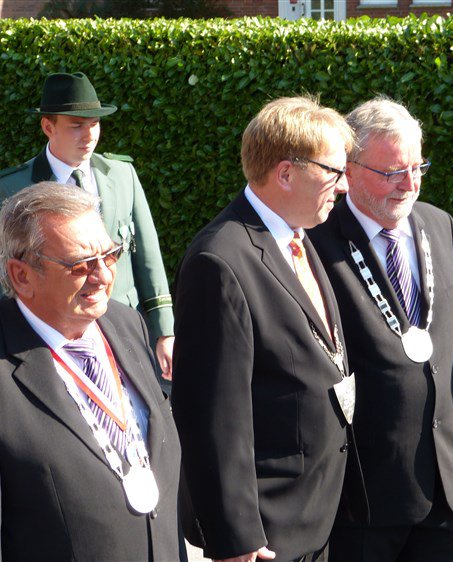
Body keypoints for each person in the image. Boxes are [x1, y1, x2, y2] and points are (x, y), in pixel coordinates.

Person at [0, 182, 184, 561]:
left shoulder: (127, 325)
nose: (104, 276)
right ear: (22, 275)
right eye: (80, 265)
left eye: (110, 255)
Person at [172, 97, 363, 562]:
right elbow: (211, 412)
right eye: (334, 172)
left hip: (317, 511)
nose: (344, 186)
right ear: (286, 174)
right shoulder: (220, 261)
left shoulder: (298, 235)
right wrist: (235, 533)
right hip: (268, 530)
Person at [308, 97, 453, 561]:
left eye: (417, 167)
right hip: (365, 502)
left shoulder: (439, 225)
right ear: (349, 170)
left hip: (447, 495)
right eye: (393, 172)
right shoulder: (316, 244)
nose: (410, 183)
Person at [0, 71, 175, 379]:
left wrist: (164, 330)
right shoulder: (13, 188)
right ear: (48, 126)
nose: (89, 135)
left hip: (123, 331)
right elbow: (2, 277)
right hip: (53, 338)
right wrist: (14, 345)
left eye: (94, 124)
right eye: (76, 125)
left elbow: (147, 256)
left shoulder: (121, 175)